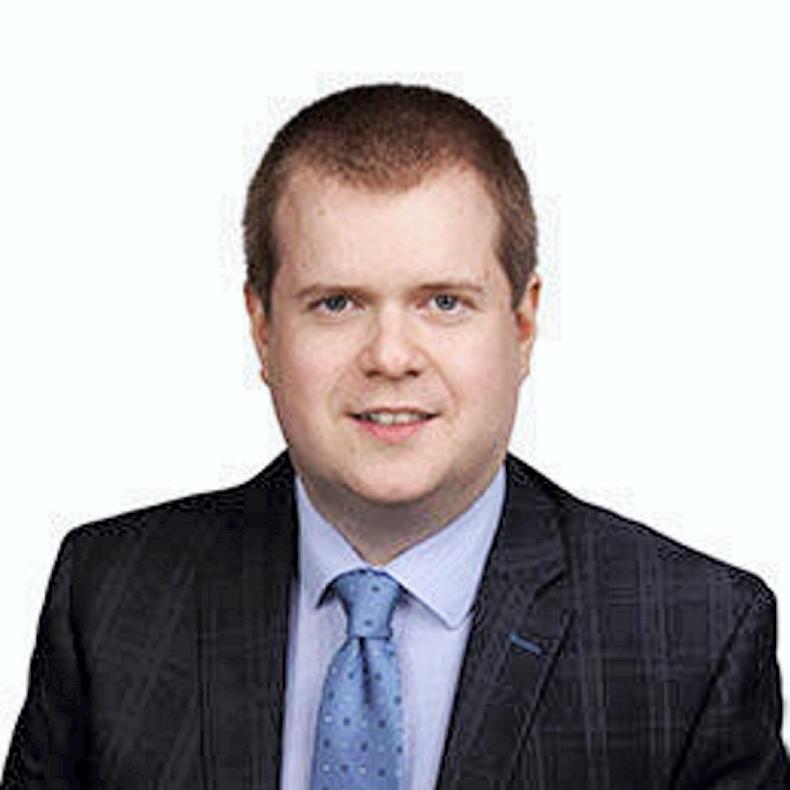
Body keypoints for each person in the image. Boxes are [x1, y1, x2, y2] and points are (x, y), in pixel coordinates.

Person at [2, 84, 788, 790]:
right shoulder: (110, 597)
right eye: (336, 303)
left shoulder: (694, 637)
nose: (390, 357)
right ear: (262, 328)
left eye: (443, 302)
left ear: (522, 324)